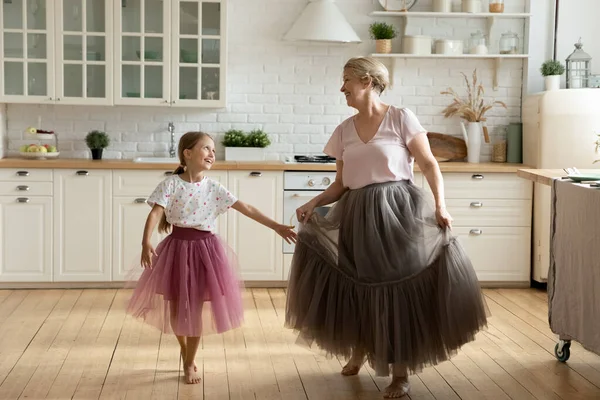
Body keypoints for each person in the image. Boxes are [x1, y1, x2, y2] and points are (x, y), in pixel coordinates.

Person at [285, 57, 489, 399]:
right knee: (359, 282)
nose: (342, 88)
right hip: (355, 215)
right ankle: (360, 349)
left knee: (396, 290)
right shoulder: (344, 131)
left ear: (366, 81)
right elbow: (340, 185)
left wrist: (440, 205)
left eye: (346, 80)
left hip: (397, 212)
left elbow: (428, 164)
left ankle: (399, 373)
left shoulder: (401, 118)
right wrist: (313, 203)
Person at [126, 131, 297, 385]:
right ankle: (187, 353)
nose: (212, 154)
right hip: (175, 251)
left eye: (213, 151)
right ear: (187, 153)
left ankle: (188, 363)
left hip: (206, 252)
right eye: (206, 149)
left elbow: (246, 208)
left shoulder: (214, 188)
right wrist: (145, 241)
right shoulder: (171, 184)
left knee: (193, 311)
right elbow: (155, 213)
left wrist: (276, 226)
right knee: (176, 313)